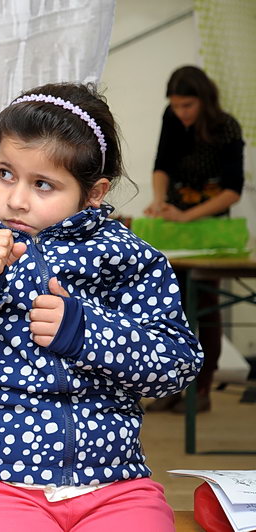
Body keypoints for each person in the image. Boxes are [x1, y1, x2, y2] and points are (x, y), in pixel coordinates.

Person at [0, 83, 203, 531]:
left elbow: (177, 365)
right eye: (5, 173)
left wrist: (87, 333)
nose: (16, 199)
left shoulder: (129, 256)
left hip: (114, 481)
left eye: (43, 184)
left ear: (94, 192)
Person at [144, 65, 244, 414]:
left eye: (187, 105)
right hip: (175, 224)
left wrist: (188, 215)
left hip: (209, 230)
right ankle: (172, 385)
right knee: (171, 307)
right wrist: (160, 201)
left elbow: (232, 190)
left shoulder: (226, 127)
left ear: (203, 100)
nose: (181, 112)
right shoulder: (171, 119)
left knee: (206, 306)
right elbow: (161, 165)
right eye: (175, 105)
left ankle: (202, 388)